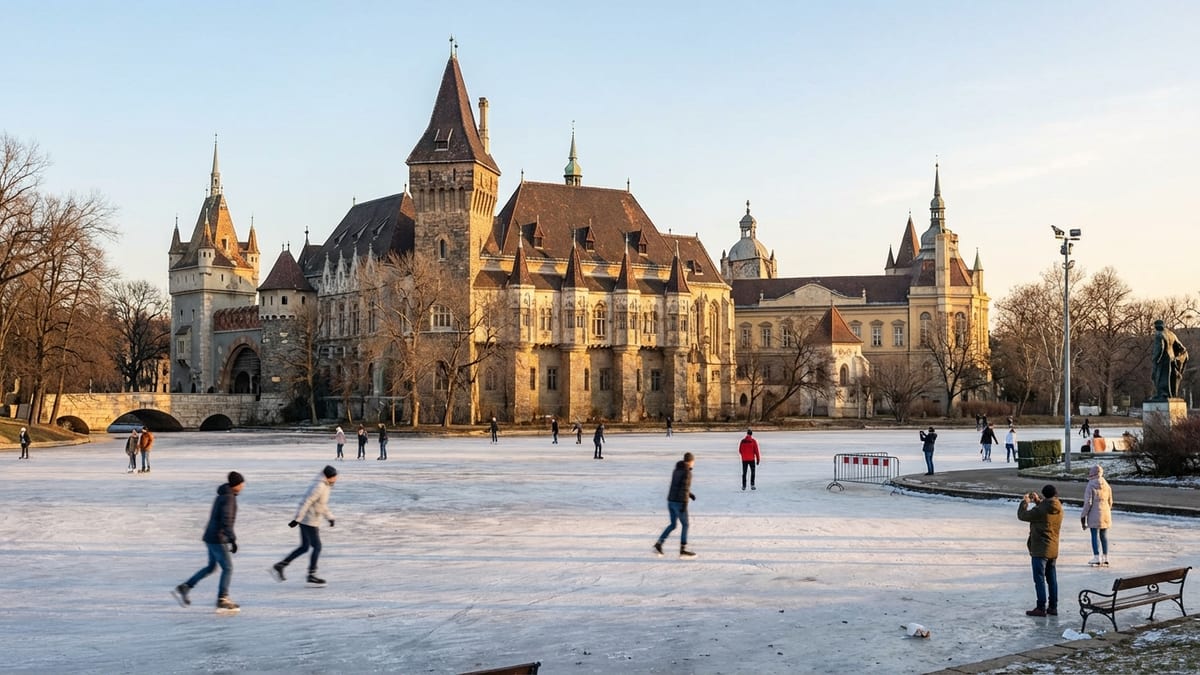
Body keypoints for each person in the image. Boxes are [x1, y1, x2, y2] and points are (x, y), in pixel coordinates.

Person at [173, 471, 245, 611]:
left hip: (210, 537)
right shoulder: (229, 498)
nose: (243, 486)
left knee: (211, 567)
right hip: (218, 538)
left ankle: (185, 587)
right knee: (228, 568)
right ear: (236, 485)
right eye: (241, 484)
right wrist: (232, 539)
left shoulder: (223, 495)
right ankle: (223, 598)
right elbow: (226, 520)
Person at [272, 465, 338, 586]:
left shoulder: (325, 485)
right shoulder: (319, 486)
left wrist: (330, 517)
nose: (336, 479)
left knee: (304, 547)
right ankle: (311, 575)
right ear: (329, 477)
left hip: (310, 520)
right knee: (317, 547)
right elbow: (306, 501)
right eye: (335, 477)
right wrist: (297, 519)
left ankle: (280, 566)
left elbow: (321, 504)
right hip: (309, 521)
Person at [1017, 484, 1063, 617]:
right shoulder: (1058, 507)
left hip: (1040, 549)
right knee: (1052, 580)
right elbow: (1045, 509)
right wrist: (1038, 501)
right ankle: (1053, 607)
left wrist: (1025, 502)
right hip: (1053, 548)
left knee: (1039, 579)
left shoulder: (1041, 510)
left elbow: (1023, 515)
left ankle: (1041, 607)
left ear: (1044, 495)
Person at [653, 452, 697, 558]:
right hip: (679, 502)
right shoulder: (687, 472)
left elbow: (677, 485)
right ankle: (683, 549)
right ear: (690, 461)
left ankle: (659, 543)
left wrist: (690, 495)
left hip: (671, 501)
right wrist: (685, 504)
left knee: (673, 525)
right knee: (685, 525)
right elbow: (684, 487)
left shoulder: (676, 470)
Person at [1081, 465, 1113, 566]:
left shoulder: (1090, 485)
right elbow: (1110, 501)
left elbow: (1088, 503)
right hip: (1106, 514)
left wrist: (1083, 515)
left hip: (1094, 514)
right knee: (1104, 536)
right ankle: (1105, 557)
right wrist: (1107, 509)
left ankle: (1096, 557)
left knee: (1094, 535)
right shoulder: (1106, 484)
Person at [1152, 319, 1189, 399]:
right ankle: (1169, 395)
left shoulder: (1159, 334)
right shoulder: (1171, 334)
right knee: (1170, 378)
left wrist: (1155, 360)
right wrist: (1177, 358)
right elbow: (1182, 348)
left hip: (1163, 359)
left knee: (1159, 376)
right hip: (1172, 359)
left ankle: (1162, 394)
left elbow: (1160, 348)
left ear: (1156, 327)